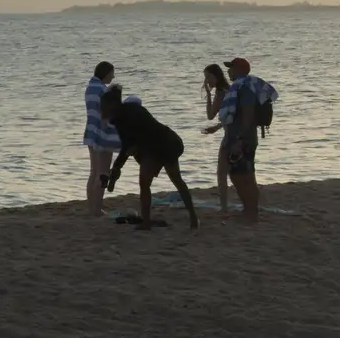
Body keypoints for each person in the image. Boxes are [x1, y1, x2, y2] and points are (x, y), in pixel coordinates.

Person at [99, 86, 198, 230]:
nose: (102, 110)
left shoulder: (133, 111)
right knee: (147, 183)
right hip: (152, 147)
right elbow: (127, 146)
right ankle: (147, 221)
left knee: (173, 180)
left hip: (165, 143)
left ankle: (193, 218)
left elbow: (138, 139)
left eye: (104, 107)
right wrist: (116, 168)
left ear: (112, 106)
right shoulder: (119, 119)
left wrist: (121, 163)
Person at [210, 57, 264, 219]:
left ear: (240, 70)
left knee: (242, 177)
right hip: (239, 138)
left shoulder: (244, 87)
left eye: (231, 68)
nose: (228, 71)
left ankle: (250, 212)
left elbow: (248, 115)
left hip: (241, 140)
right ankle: (250, 211)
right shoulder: (240, 86)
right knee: (243, 176)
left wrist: (239, 140)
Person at [82, 61, 119, 219]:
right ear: (106, 73)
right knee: (103, 173)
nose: (113, 76)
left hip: (91, 132)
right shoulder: (103, 91)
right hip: (103, 135)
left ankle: (92, 208)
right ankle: (96, 210)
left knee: (94, 172)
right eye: (112, 73)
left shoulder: (90, 88)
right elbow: (108, 115)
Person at [201, 63, 231, 213]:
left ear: (215, 76)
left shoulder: (220, 92)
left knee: (221, 173)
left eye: (208, 77)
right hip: (234, 133)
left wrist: (208, 94)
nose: (206, 81)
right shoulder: (228, 89)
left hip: (231, 136)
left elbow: (210, 115)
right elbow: (231, 115)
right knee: (237, 172)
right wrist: (218, 127)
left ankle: (224, 207)